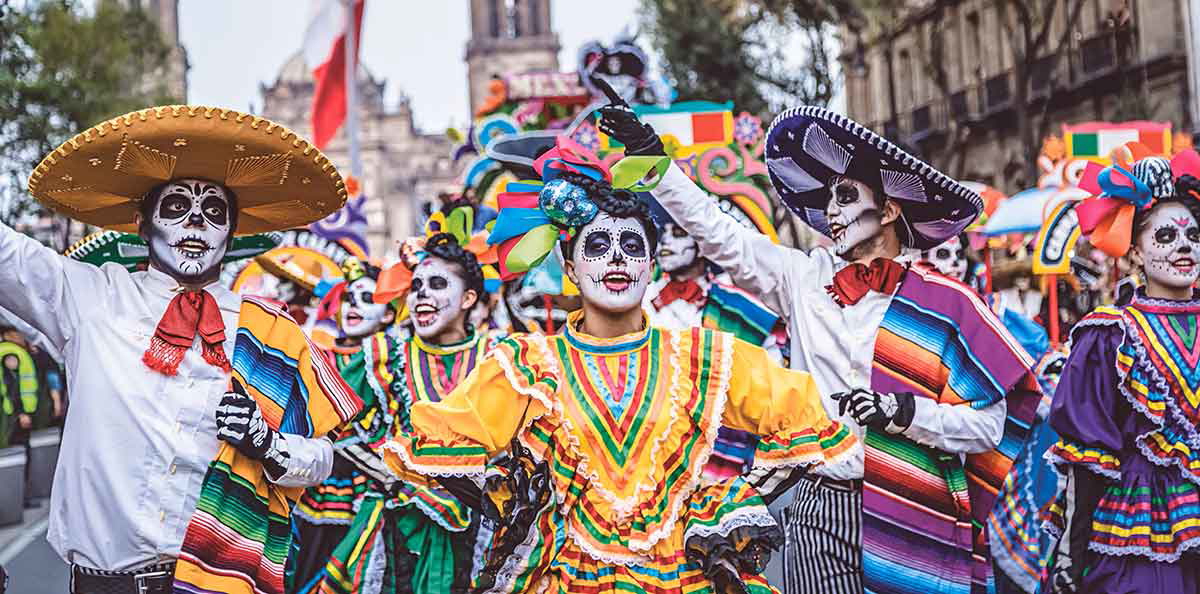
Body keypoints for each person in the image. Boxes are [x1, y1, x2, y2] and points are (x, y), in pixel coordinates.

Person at [599, 102, 1040, 594]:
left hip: (914, 507)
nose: (831, 210)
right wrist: (656, 164)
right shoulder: (802, 279)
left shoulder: (947, 305)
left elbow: (987, 427)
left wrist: (905, 414)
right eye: (829, 197)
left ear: (890, 208)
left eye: (845, 195)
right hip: (819, 503)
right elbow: (719, 233)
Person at [383, 137, 858, 593]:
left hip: (683, 574)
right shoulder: (526, 365)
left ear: (651, 265)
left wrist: (732, 501)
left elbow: (806, 421)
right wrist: (525, 500)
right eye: (596, 247)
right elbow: (441, 443)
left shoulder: (704, 356)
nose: (616, 259)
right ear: (569, 267)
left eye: (632, 247)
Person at [0, 105, 360, 594]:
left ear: (231, 233)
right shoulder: (89, 299)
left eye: (214, 213)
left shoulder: (273, 333)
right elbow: (9, 256)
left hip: (220, 581)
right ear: (143, 223)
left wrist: (267, 443)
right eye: (176, 208)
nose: (196, 224)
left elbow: (322, 458)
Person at [1045, 154, 1200, 593]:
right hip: (1138, 537)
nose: (1183, 246)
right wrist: (1069, 555)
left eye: (1193, 234)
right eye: (1166, 236)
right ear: (1135, 250)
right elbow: (1087, 458)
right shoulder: (1109, 335)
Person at [315, 230, 499, 593]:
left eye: (436, 284)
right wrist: (391, 475)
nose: (422, 295)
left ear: (468, 298)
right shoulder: (383, 354)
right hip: (396, 524)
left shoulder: (499, 356)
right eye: (415, 287)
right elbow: (331, 422)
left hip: (480, 529)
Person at [289, 257, 398, 592]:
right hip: (315, 484)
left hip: (372, 492)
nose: (354, 306)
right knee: (306, 565)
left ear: (390, 314)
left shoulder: (397, 360)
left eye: (368, 299)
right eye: (350, 297)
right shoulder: (317, 354)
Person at [642, 202, 786, 360]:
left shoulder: (738, 307)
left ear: (703, 245)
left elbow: (769, 369)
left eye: (678, 233)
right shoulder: (642, 297)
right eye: (663, 233)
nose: (666, 241)